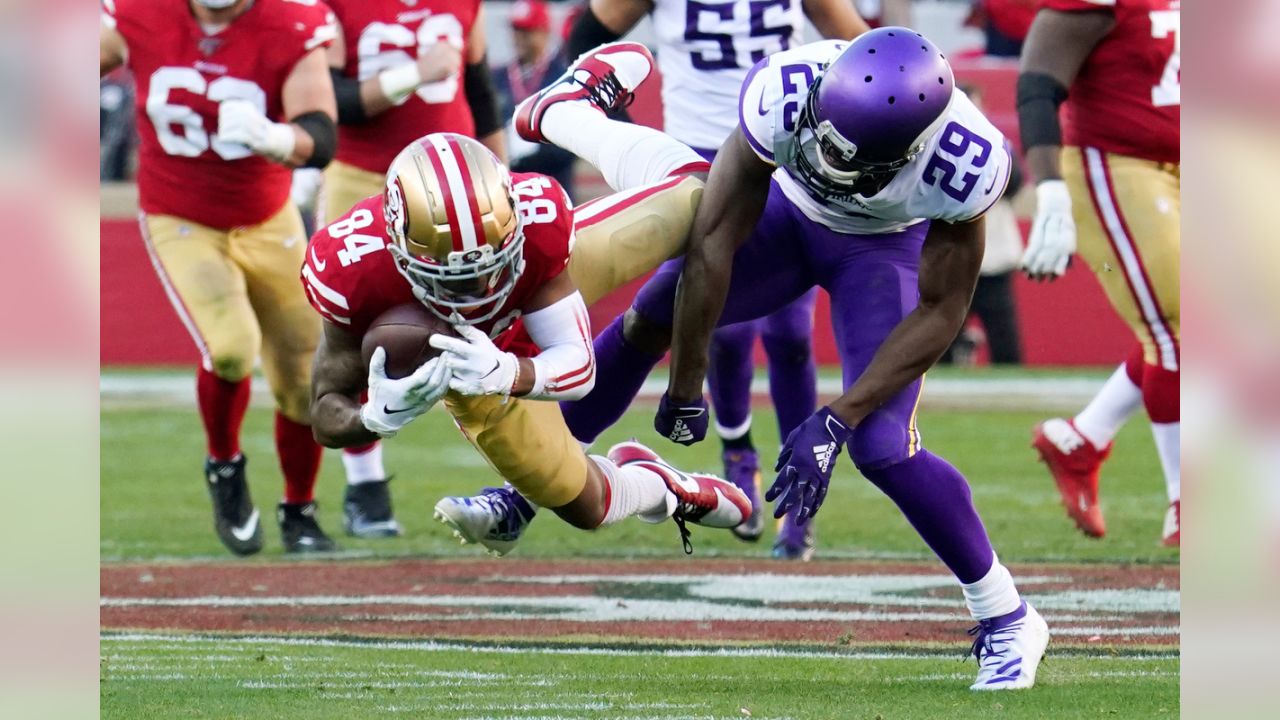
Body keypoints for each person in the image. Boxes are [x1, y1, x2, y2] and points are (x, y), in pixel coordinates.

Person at [549, 29, 1050, 689]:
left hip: (882, 250)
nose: (829, 157)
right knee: (652, 312)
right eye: (826, 136)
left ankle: (1006, 615)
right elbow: (714, 241)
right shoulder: (785, 89)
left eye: (855, 156)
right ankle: (534, 481)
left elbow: (941, 311)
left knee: (881, 444)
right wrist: (688, 382)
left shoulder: (965, 160)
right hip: (788, 216)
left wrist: (836, 419)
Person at [306, 43, 750, 556]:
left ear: (511, 218)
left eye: (485, 268)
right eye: (453, 280)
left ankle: (566, 111)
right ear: (399, 251)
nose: (478, 291)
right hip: (469, 374)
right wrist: (372, 419)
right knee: (588, 506)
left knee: (703, 193)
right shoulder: (352, 270)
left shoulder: (538, 229)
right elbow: (323, 409)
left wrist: (510, 371)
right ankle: (665, 488)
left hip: (536, 285)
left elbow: (578, 369)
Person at [558, 0, 868, 560]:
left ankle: (799, 503)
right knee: (712, 325)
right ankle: (737, 455)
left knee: (791, 337)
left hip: (784, 151)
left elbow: (862, 50)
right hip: (698, 156)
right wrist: (626, 140)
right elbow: (585, 39)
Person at [100, 0, 341, 555]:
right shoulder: (140, 14)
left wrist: (277, 139)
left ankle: (299, 510)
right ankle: (225, 467)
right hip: (180, 217)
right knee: (232, 347)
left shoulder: (290, 22)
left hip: (266, 216)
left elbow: (320, 134)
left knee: (304, 377)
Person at [319, 0, 506, 538]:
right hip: (365, 180)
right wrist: (413, 75)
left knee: (494, 316)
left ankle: (521, 478)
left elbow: (479, 93)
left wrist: (501, 177)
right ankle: (365, 484)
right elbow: (335, 102)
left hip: (458, 190)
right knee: (352, 336)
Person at [1017, 0, 1180, 545]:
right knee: (1180, 331)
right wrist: (1050, 191)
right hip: (1117, 162)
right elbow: (1038, 83)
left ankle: (1082, 437)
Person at [494, 0, 577, 196]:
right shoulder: (497, 78)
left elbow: (571, 143)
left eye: (526, 31)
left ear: (544, 32)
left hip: (553, 188)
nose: (518, 38)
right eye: (515, 30)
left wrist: (529, 152)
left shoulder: (563, 78)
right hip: (509, 189)